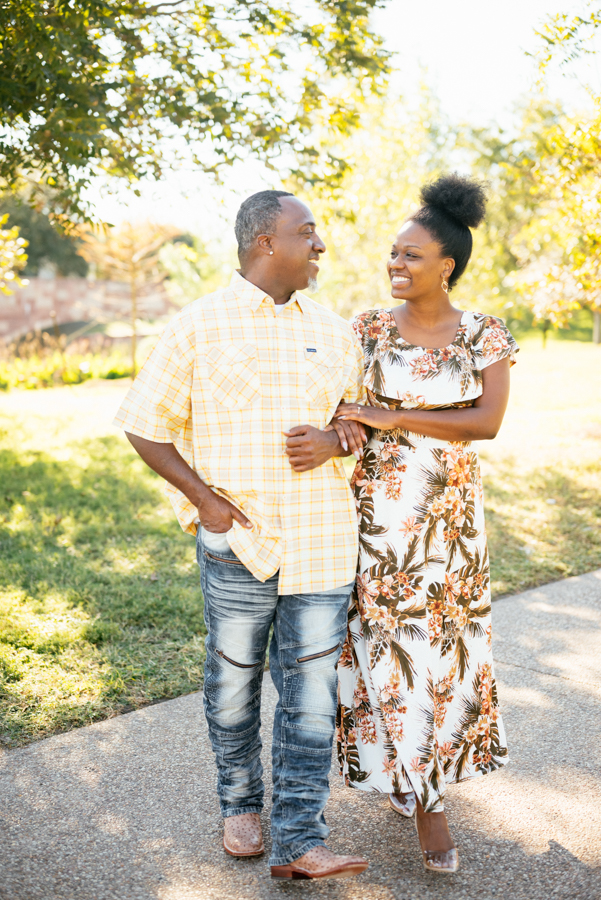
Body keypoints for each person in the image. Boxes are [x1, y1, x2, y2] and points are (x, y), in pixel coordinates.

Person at [113, 190, 370, 881]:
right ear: (265, 242)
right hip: (239, 543)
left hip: (320, 538)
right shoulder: (198, 325)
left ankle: (299, 841)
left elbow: (355, 419)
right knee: (232, 686)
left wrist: (341, 436)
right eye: (306, 233)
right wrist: (206, 503)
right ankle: (239, 804)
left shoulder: (336, 330)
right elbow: (144, 422)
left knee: (311, 695)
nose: (319, 245)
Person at [334, 174, 518, 875]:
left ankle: (426, 790)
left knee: (442, 659)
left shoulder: (482, 332)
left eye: (410, 255)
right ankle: (419, 789)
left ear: (445, 263)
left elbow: (487, 422)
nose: (395, 265)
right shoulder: (366, 328)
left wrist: (393, 416)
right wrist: (350, 427)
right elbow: (341, 408)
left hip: (449, 526)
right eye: (391, 254)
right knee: (384, 652)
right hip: (377, 521)